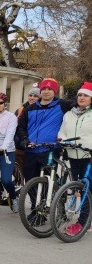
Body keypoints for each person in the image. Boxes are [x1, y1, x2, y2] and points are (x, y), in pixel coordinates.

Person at [16, 78, 72, 183]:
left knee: (48, 182)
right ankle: (35, 200)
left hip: (50, 150)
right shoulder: (30, 108)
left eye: (50, 89)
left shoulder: (62, 105)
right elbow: (21, 126)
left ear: (54, 91)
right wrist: (24, 139)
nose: (46, 92)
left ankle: (51, 197)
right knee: (30, 182)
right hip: (31, 149)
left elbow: (81, 104)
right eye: (44, 89)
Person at [57, 82, 92, 235]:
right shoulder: (68, 114)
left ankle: (83, 222)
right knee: (79, 188)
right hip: (73, 155)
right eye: (80, 95)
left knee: (87, 190)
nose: (82, 97)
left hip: (89, 155)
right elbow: (62, 132)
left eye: (86, 95)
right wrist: (63, 140)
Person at [13, 87, 40, 171]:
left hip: (34, 146)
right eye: (30, 95)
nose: (32, 98)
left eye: (35, 96)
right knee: (18, 172)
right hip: (20, 146)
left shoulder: (41, 110)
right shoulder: (20, 110)